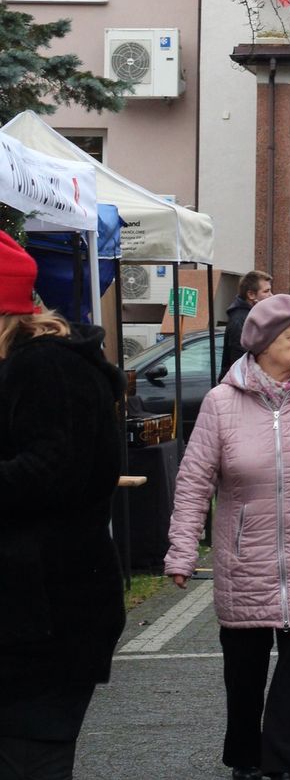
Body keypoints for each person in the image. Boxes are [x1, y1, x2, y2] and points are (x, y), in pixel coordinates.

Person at [165, 293, 290, 780]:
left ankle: (285, 761)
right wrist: (181, 550)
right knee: (244, 673)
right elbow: (194, 482)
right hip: (244, 561)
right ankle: (244, 756)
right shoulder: (221, 403)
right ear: (261, 345)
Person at [0, 231, 125, 780]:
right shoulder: (37, 363)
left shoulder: (45, 367)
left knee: (31, 758)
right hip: (35, 612)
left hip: (47, 616)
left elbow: (53, 472)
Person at [220, 269, 273, 378]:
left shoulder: (252, 316)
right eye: (266, 291)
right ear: (251, 295)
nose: (271, 295)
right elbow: (241, 361)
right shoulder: (241, 320)